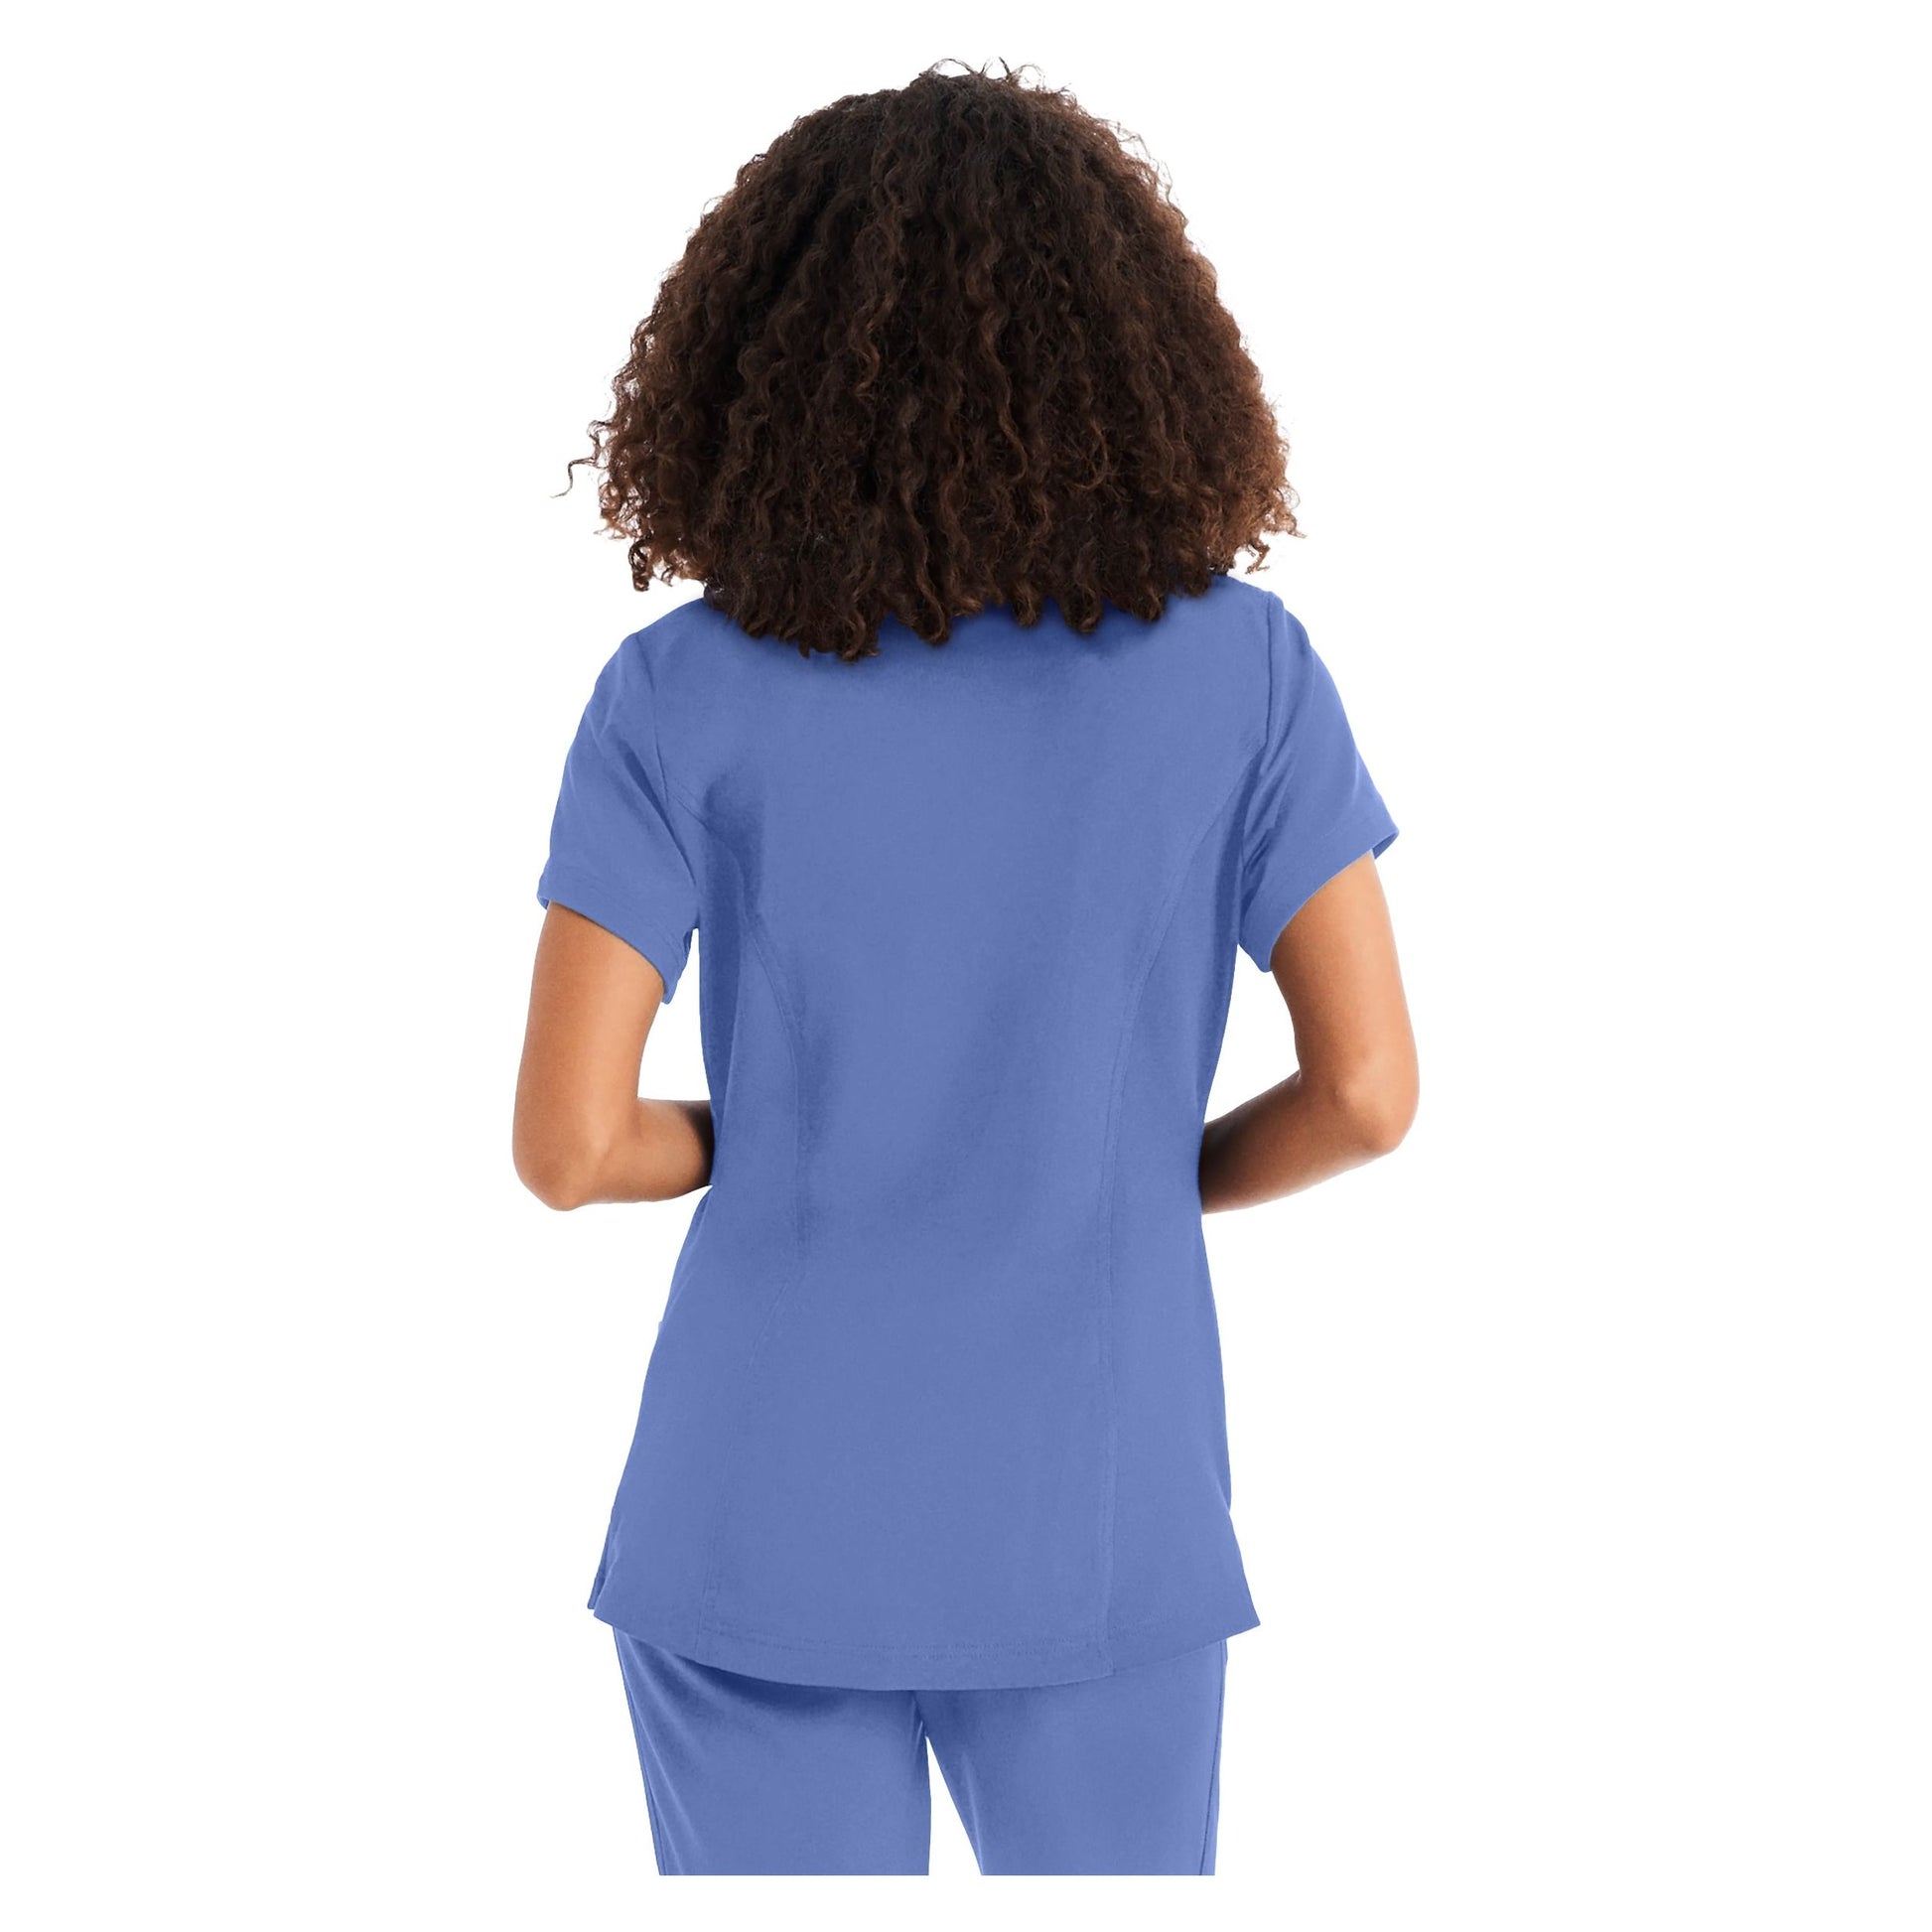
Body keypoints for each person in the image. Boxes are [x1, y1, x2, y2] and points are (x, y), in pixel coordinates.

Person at [512, 61, 1419, 1876]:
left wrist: (773, 1135)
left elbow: (568, 1145)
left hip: (753, 1519)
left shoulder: (678, 690)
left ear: (752, 364)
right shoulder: (1244, 674)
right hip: (1099, 1515)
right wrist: (1120, 1172)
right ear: (1138, 350)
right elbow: (1367, 1093)